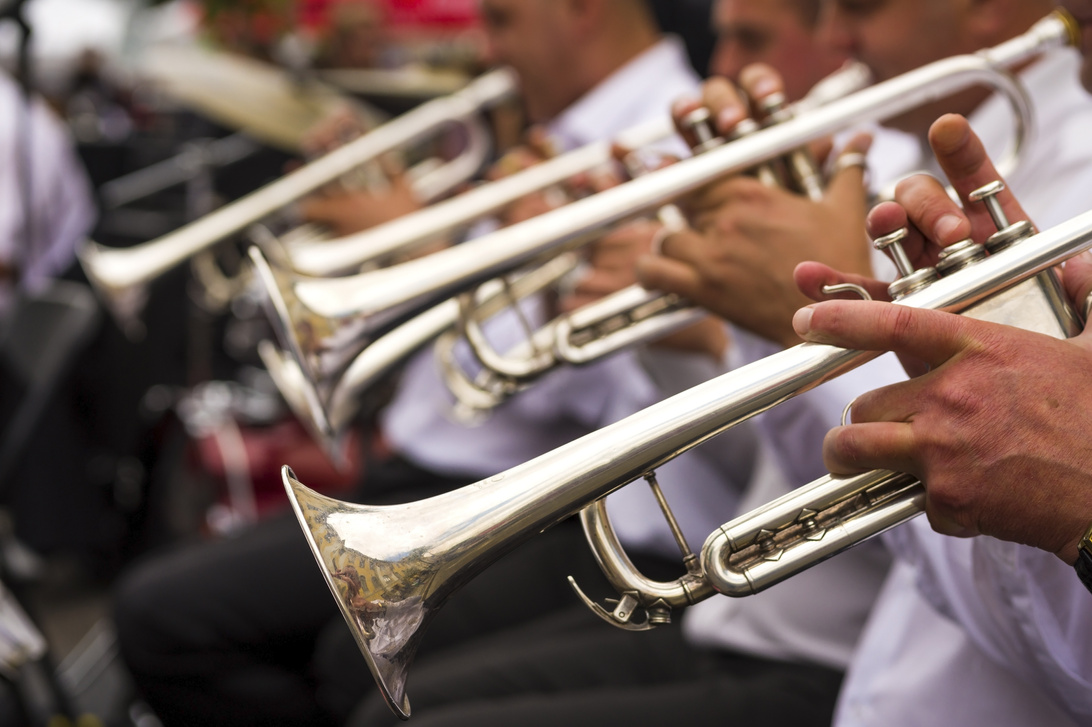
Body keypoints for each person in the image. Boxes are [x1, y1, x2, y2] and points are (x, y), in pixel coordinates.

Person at [112, 2, 754, 726]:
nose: (484, 46)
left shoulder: (660, 138)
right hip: (432, 471)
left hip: (534, 499)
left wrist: (423, 253)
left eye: (503, 20)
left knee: (208, 629)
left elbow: (583, 393)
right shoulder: (554, 125)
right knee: (194, 612)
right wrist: (409, 244)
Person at [637, 0, 1092, 723]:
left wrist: (837, 353)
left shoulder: (1072, 158)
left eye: (858, 7)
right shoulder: (912, 160)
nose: (835, 40)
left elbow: (1051, 641)